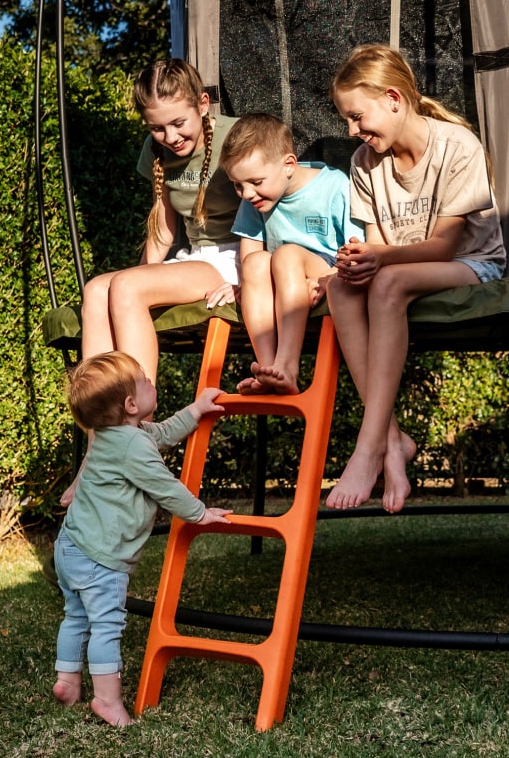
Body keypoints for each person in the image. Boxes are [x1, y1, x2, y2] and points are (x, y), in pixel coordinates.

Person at [324, 44, 506, 514]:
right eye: (346, 119)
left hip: (473, 264)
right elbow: (378, 243)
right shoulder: (365, 162)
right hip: (405, 268)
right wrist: (359, 262)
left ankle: (369, 450)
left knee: (386, 284)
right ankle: (392, 445)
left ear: (393, 98)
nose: (352, 130)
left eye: (358, 116)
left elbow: (444, 246)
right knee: (340, 286)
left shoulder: (456, 146)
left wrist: (379, 261)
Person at [63, 58, 241, 507]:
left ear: (203, 105)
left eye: (178, 123)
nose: (170, 136)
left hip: (235, 258)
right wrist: (139, 275)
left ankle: (137, 431)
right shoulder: (158, 150)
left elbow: (273, 208)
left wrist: (252, 281)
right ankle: (97, 448)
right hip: (193, 257)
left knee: (126, 289)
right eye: (157, 128)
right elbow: (163, 228)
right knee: (100, 288)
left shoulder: (235, 137)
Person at [52, 350, 232, 727]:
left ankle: (68, 681)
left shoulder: (115, 434)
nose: (152, 381)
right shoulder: (132, 446)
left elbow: (162, 433)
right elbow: (164, 487)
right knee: (106, 625)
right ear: (131, 403)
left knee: (76, 617)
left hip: (69, 547)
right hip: (100, 557)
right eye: (145, 379)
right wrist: (199, 513)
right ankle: (107, 701)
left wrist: (196, 410)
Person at [217, 113, 363, 395]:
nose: (246, 193)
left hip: (331, 276)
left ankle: (288, 366)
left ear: (288, 165)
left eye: (255, 182)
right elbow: (250, 257)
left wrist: (329, 279)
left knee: (285, 254)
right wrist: (240, 285)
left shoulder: (334, 187)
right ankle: (268, 367)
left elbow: (356, 251)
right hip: (283, 280)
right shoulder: (256, 197)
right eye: (237, 185)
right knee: (257, 261)